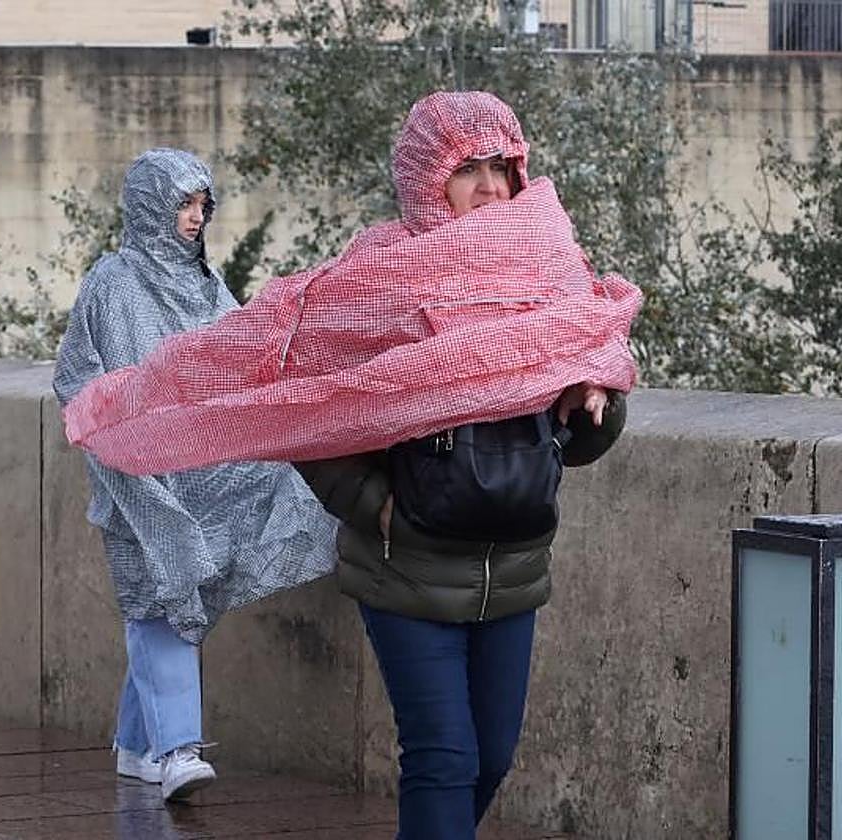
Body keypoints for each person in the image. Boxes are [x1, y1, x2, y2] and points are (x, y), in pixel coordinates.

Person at [292, 91, 629, 840]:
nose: (490, 188)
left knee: (492, 759)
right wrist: (379, 506)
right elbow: (308, 416)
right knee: (442, 758)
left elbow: (583, 443)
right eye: (466, 169)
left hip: (511, 568)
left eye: (501, 168)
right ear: (425, 180)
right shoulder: (378, 279)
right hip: (406, 568)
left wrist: (595, 389)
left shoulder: (549, 275)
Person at [52, 148, 337, 803]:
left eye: (202, 205)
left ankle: (135, 744)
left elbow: (240, 353)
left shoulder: (207, 285)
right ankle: (178, 750)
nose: (195, 217)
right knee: (159, 602)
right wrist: (119, 429)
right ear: (151, 204)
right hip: (136, 480)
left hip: (203, 477)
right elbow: (74, 375)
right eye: (184, 203)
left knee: (169, 604)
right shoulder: (111, 282)